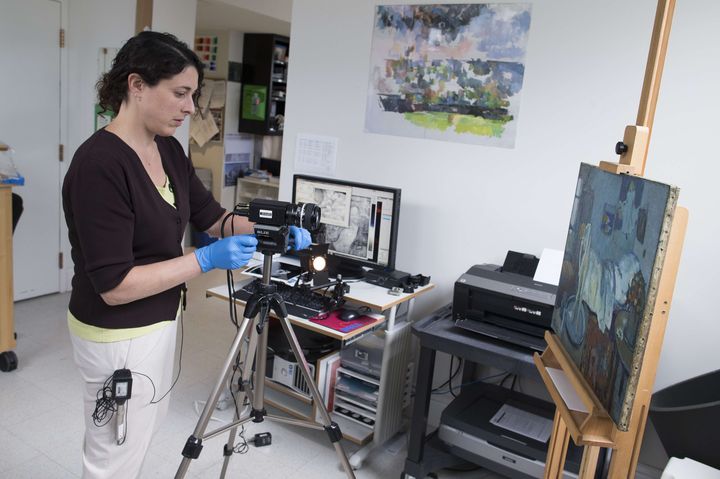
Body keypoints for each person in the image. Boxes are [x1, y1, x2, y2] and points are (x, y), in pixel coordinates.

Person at [61, 31, 309, 479]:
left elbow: (213, 217)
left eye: (192, 95)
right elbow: (115, 287)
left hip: (159, 319)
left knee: (139, 436)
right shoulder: (99, 165)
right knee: (113, 456)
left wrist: (273, 232)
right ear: (136, 86)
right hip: (116, 334)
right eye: (180, 93)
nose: (191, 107)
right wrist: (205, 259)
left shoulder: (169, 150)